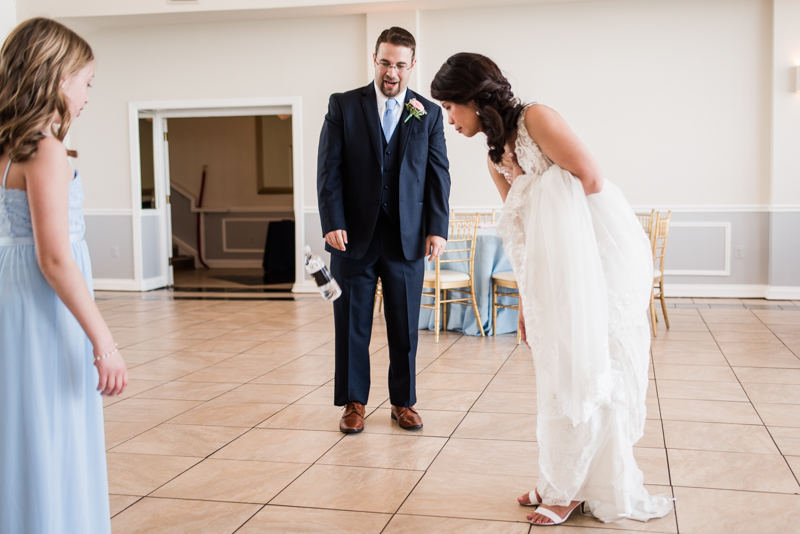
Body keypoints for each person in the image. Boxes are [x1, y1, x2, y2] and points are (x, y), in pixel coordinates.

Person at [431, 53, 672, 526]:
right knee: (558, 368)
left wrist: (566, 259)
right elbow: (520, 231)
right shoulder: (493, 156)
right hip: (551, 271)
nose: (448, 118)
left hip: (599, 258)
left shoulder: (535, 118)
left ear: (474, 98)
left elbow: (591, 178)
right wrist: (529, 299)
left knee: (588, 364)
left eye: (449, 107)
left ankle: (572, 489)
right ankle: (561, 477)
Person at [0, 18, 128, 534]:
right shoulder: (44, 150)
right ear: (56, 77)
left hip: (14, 296)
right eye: (86, 81)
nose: (88, 96)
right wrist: (105, 342)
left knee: (21, 425)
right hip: (44, 305)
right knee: (54, 426)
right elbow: (54, 258)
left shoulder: (8, 147)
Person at [317, 27, 450, 433]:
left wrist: (437, 228)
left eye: (400, 65)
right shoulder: (343, 105)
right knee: (351, 322)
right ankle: (354, 403)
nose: (391, 72)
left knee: (404, 325)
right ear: (374, 60)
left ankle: (403, 403)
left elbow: (437, 174)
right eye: (385, 63)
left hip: (406, 237)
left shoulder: (427, 112)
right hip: (352, 236)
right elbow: (329, 169)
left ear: (412, 66)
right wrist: (332, 221)